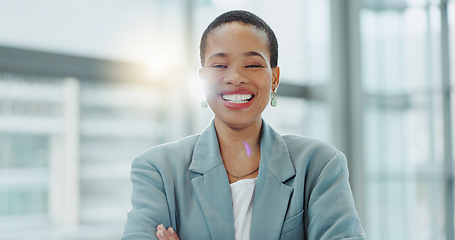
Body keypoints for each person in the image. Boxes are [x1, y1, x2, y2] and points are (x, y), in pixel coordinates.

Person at [121, 10, 365, 240]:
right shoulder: (158, 170)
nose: (235, 77)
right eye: (219, 65)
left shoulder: (319, 165)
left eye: (252, 65)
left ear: (275, 79)